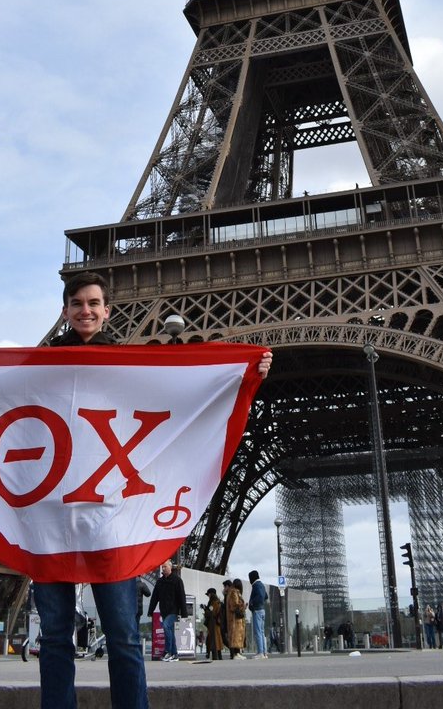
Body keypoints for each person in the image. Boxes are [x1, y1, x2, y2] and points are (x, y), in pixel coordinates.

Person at [35, 272, 273, 708]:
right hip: (53, 516)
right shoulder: (42, 363)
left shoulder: (129, 364)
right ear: (65, 310)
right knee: (54, 637)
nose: (85, 310)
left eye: (93, 303)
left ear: (107, 310)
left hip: (110, 518)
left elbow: (179, 397)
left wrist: (244, 373)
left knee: (124, 637)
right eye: (77, 303)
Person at [148, 559, 188, 662]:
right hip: (164, 610)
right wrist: (150, 611)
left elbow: (181, 597)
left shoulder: (177, 580)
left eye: (165, 566)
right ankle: (175, 654)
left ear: (170, 567)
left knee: (166, 626)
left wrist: (184, 613)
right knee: (170, 631)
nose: (163, 568)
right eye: (162, 567)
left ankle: (168, 651)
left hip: (173, 610)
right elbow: (154, 597)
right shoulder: (160, 581)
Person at [248, 569, 268, 657]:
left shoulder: (256, 585)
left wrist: (252, 602)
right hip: (262, 610)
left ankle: (260, 652)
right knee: (262, 632)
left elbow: (260, 596)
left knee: (258, 632)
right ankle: (264, 652)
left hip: (257, 610)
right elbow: (265, 596)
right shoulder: (262, 585)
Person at [226, 578, 247, 658]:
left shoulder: (231, 592)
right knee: (236, 636)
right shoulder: (234, 592)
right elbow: (234, 605)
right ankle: (236, 654)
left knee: (236, 636)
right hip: (235, 620)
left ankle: (237, 653)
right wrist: (242, 606)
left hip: (233, 619)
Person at [203, 588, 224, 660]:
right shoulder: (217, 602)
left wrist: (205, 610)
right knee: (216, 641)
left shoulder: (214, 602)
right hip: (215, 625)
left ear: (211, 594)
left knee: (214, 641)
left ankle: (215, 657)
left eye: (208, 594)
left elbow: (212, 613)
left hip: (213, 625)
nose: (208, 596)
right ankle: (218, 657)